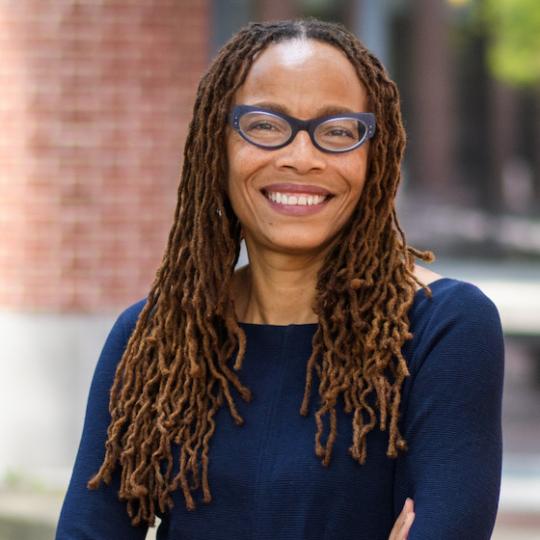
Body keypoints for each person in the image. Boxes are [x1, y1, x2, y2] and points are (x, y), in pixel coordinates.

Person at [56, 18, 504, 540]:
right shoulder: (156, 336)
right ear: (215, 146)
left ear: (374, 156)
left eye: (337, 131)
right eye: (266, 125)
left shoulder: (443, 329)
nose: (301, 157)